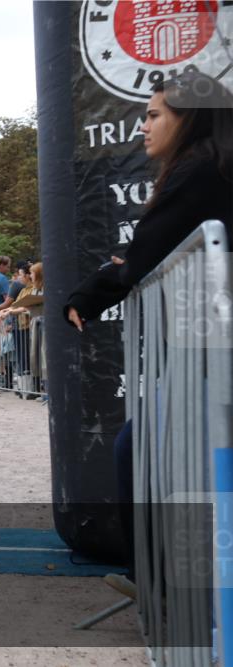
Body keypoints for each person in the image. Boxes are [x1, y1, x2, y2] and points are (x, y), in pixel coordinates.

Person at [64, 72, 233, 599]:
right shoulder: (210, 167)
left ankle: (158, 582)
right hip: (208, 344)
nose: (143, 126)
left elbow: (141, 259)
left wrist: (91, 293)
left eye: (154, 115)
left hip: (214, 347)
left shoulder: (201, 170)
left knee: (138, 448)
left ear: (190, 118)